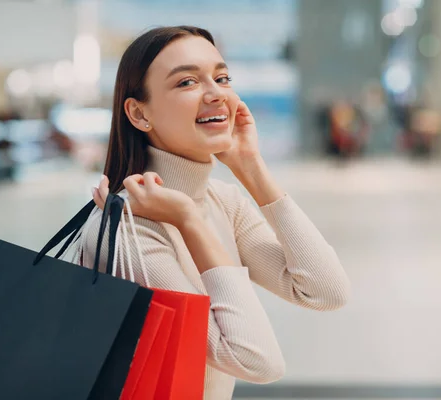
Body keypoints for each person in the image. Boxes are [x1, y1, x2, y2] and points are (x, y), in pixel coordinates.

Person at [79, 26, 351, 399]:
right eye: (188, 82)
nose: (216, 94)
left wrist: (251, 168)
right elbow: (256, 360)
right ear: (139, 114)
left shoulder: (223, 200)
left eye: (222, 77)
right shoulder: (128, 229)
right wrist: (188, 220)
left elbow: (325, 291)